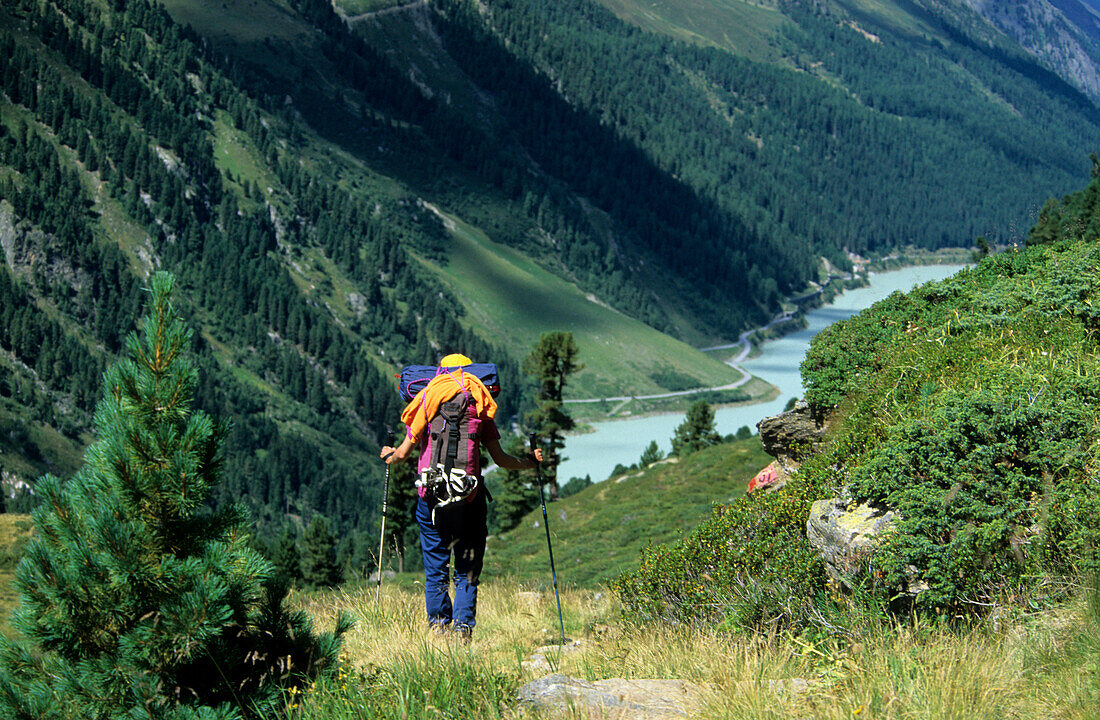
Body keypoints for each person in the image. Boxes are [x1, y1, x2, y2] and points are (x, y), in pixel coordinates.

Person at [381, 353, 543, 642]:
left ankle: (438, 628)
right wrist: (530, 462)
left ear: (438, 373)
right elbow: (501, 459)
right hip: (469, 498)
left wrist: (388, 456)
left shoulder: (427, 399)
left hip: (430, 498)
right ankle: (462, 631)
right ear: (473, 374)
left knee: (436, 568)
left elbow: (402, 454)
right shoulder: (478, 402)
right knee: (466, 569)